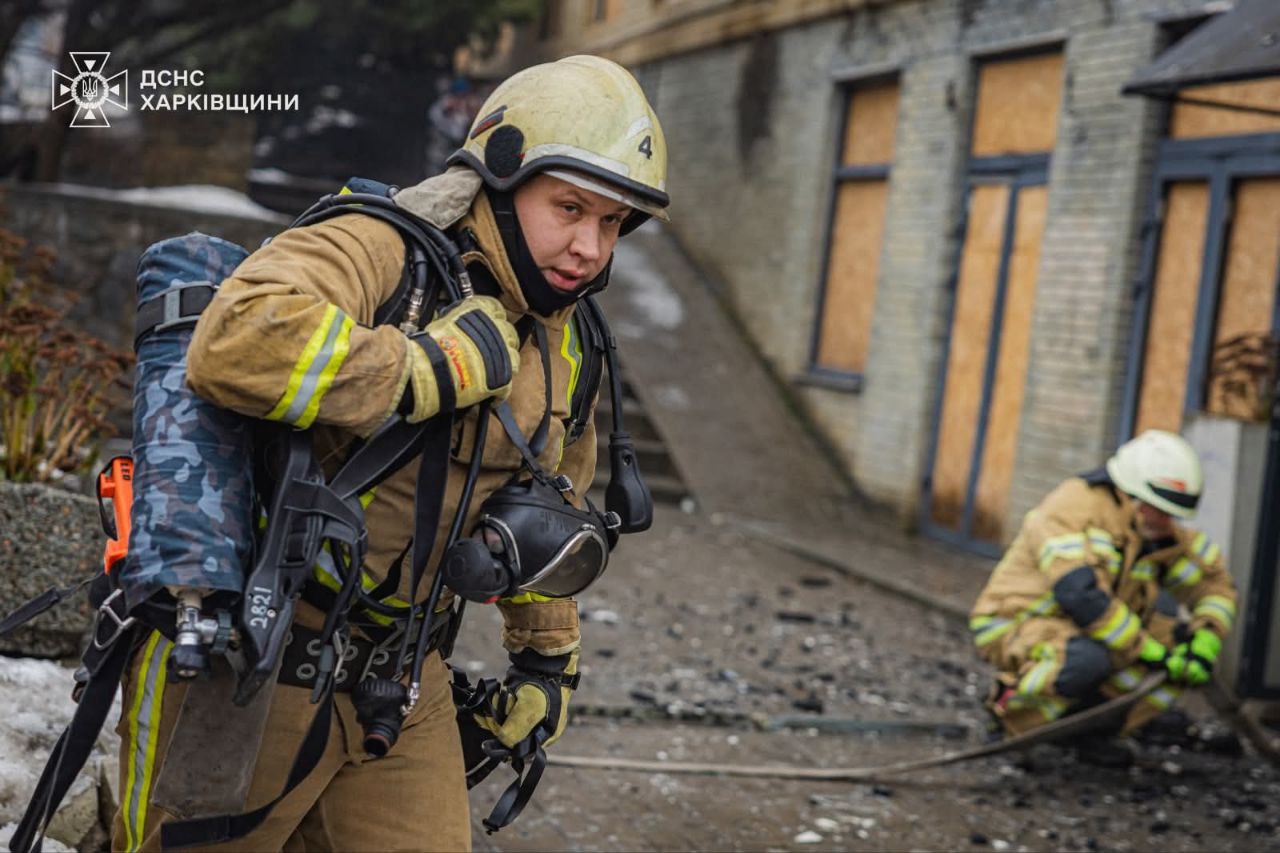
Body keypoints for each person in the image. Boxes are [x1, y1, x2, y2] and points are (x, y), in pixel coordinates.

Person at [111, 54, 669, 851]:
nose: (588, 246)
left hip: (404, 683)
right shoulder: (386, 249)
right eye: (570, 207)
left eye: (612, 222)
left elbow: (552, 503)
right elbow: (231, 339)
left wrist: (546, 662)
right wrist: (420, 368)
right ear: (500, 183)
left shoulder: (570, 343)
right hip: (255, 665)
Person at [969, 430, 1238, 765]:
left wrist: (1206, 637)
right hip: (1014, 622)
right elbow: (1080, 596)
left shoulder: (1152, 528)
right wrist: (1145, 649)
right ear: (1135, 499)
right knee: (1086, 660)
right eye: (1162, 511)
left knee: (1177, 656)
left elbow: (1215, 583)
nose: (1170, 523)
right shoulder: (1074, 508)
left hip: (1090, 630)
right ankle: (1009, 721)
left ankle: (1093, 731)